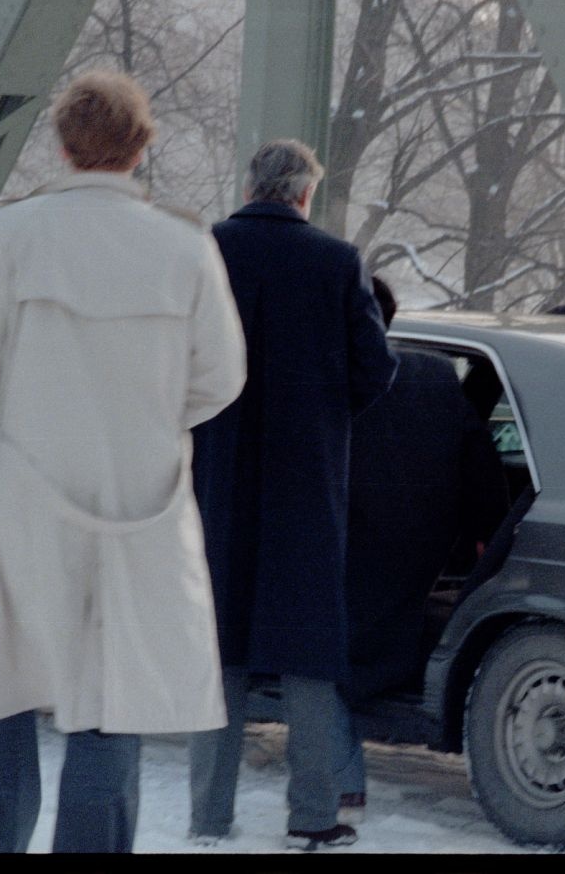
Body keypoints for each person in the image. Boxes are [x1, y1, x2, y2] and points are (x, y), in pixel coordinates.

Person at [0, 70, 247, 854]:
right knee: (111, 700)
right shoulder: (185, 244)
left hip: (17, 500)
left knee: (2, 690)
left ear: (62, 147)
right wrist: (153, 416)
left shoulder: (5, 235)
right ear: (141, 146)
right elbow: (222, 377)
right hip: (140, 504)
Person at [188, 139, 398, 851]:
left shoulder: (210, 249)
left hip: (218, 476)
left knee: (220, 650)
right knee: (307, 651)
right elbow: (377, 370)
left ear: (252, 186)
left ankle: (209, 816)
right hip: (306, 484)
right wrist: (324, 413)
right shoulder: (337, 262)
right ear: (305, 194)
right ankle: (310, 816)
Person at [332, 277, 511, 821]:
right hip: (423, 555)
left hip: (348, 555)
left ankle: (340, 788)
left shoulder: (334, 379)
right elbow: (481, 477)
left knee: (322, 674)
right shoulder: (437, 376)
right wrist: (486, 542)